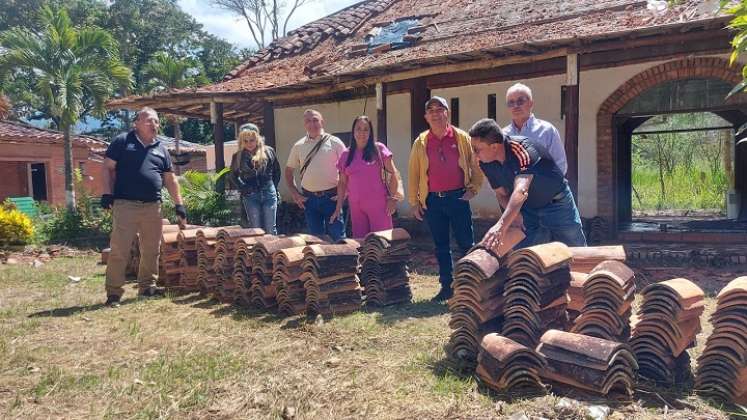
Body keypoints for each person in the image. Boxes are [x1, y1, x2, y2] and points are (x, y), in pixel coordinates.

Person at [100, 107, 187, 307]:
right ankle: (114, 293)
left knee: (151, 250)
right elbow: (107, 168)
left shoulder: (161, 149)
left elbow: (170, 179)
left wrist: (179, 205)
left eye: (156, 121)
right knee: (119, 250)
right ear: (136, 123)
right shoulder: (123, 142)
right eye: (148, 120)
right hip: (125, 205)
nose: (153, 125)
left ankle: (147, 288)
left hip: (153, 207)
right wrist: (106, 193)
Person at [468, 118, 586, 251]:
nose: (474, 154)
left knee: (577, 251)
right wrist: (516, 216)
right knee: (525, 258)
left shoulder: (522, 150)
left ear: (494, 146)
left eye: (477, 149)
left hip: (557, 205)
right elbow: (501, 193)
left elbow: (521, 190)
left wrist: (501, 226)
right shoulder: (485, 162)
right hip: (527, 211)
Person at [408, 96, 484, 302]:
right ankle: (446, 287)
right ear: (426, 116)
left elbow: (476, 165)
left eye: (439, 109)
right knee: (441, 245)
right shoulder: (421, 142)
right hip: (433, 201)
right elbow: (414, 173)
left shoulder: (461, 137)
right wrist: (414, 202)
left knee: (466, 244)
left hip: (458, 198)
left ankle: (470, 287)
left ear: (447, 112)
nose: (435, 114)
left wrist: (473, 189)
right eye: (430, 110)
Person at [331, 116, 402, 238]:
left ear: (371, 132)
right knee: (361, 244)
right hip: (356, 208)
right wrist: (338, 207)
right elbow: (342, 183)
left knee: (382, 243)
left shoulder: (378, 149)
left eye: (366, 129)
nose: (362, 133)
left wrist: (393, 198)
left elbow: (393, 174)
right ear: (353, 132)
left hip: (379, 206)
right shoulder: (345, 155)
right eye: (358, 129)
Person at [285, 109, 347, 241]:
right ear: (304, 125)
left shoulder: (335, 142)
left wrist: (345, 192)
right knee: (315, 241)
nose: (312, 124)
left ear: (322, 122)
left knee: (338, 239)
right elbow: (288, 171)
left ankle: (345, 262)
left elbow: (347, 170)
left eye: (315, 120)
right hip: (309, 200)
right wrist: (295, 193)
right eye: (308, 121)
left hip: (332, 198)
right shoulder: (298, 146)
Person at [503, 83, 567, 175]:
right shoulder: (503, 135)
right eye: (511, 103)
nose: (515, 106)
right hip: (512, 189)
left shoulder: (547, 131)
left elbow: (560, 164)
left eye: (520, 101)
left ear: (531, 104)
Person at [230, 123, 281, 235]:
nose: (249, 143)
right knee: (255, 229)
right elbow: (233, 176)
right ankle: (258, 252)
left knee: (270, 229)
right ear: (242, 141)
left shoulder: (269, 151)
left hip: (268, 192)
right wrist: (242, 188)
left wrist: (274, 187)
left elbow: (277, 171)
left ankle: (272, 252)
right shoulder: (238, 156)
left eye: (252, 140)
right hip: (251, 195)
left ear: (257, 138)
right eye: (246, 141)